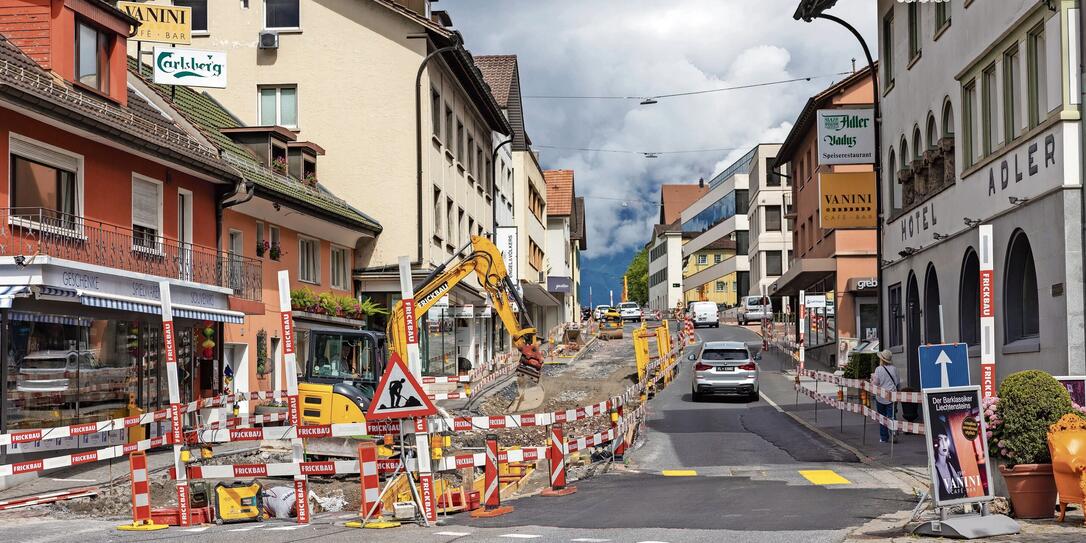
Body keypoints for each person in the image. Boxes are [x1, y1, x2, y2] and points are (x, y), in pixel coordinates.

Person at [870, 350, 900, 443]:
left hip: (881, 397)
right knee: (892, 416)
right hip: (891, 396)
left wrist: (871, 381)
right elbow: (897, 382)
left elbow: (876, 383)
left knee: (882, 417)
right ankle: (893, 433)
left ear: (882, 359)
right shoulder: (894, 369)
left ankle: (884, 438)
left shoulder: (878, 369)